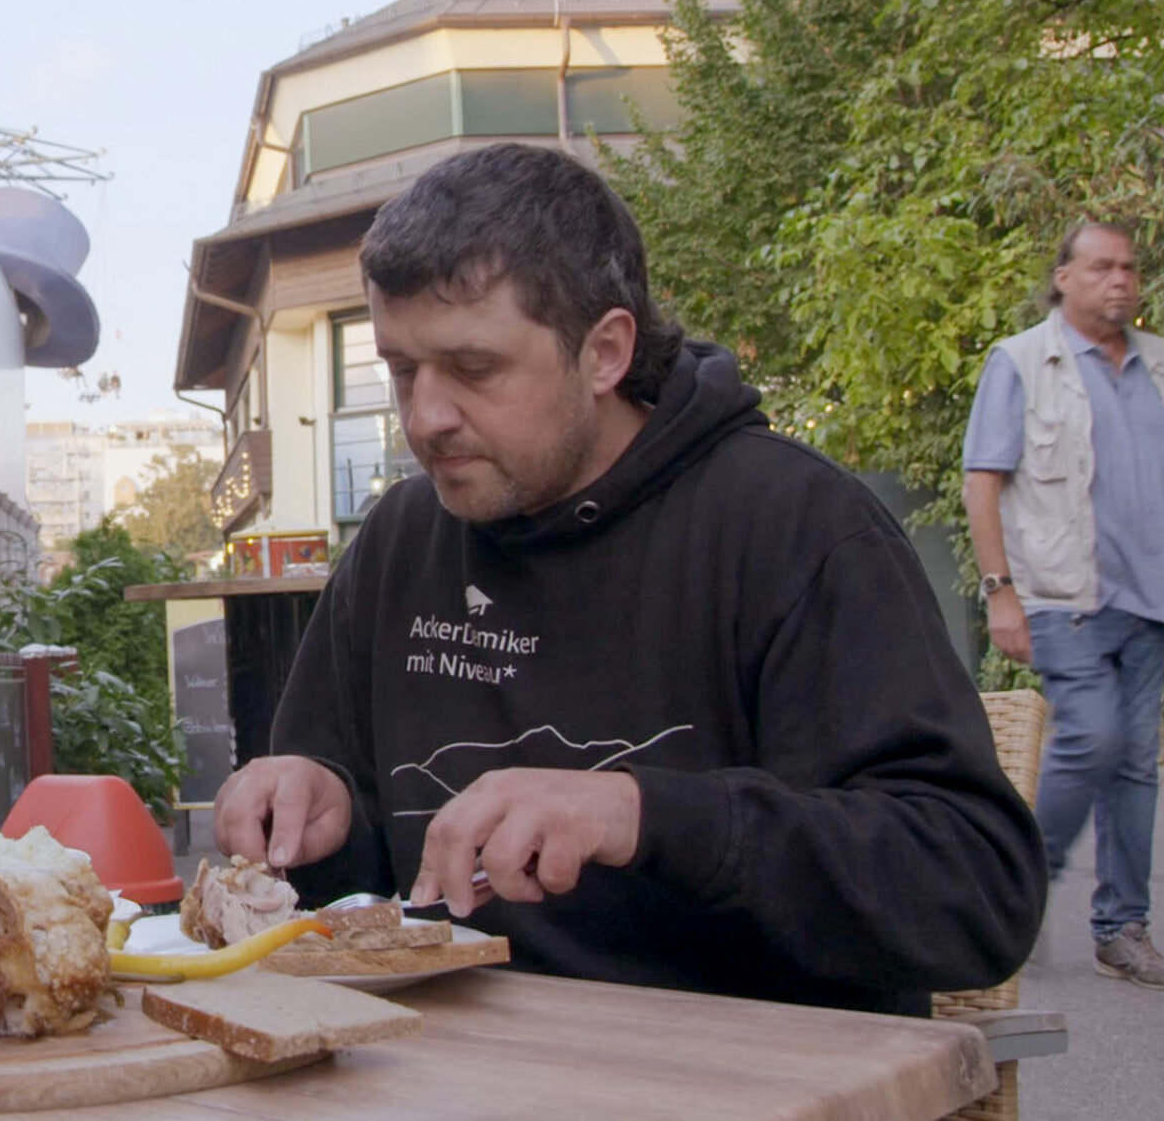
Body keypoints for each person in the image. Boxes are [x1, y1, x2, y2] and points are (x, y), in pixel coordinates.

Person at [213, 143, 1044, 1016]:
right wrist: (311, 816)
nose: (425, 418)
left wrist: (643, 816)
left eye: (474, 369)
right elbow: (352, 893)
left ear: (605, 350)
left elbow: (975, 896)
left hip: (748, 1084)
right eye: (400, 369)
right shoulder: (400, 541)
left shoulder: (794, 529)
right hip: (455, 1077)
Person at [961, 222, 1164, 992]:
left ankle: (1120, 931)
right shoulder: (1024, 361)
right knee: (1091, 742)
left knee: (1133, 768)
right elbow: (982, 480)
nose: (1120, 280)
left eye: (1128, 267)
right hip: (1064, 597)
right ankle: (1008, 893)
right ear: (1062, 277)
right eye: (1100, 267)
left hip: (1151, 597)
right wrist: (1001, 594)